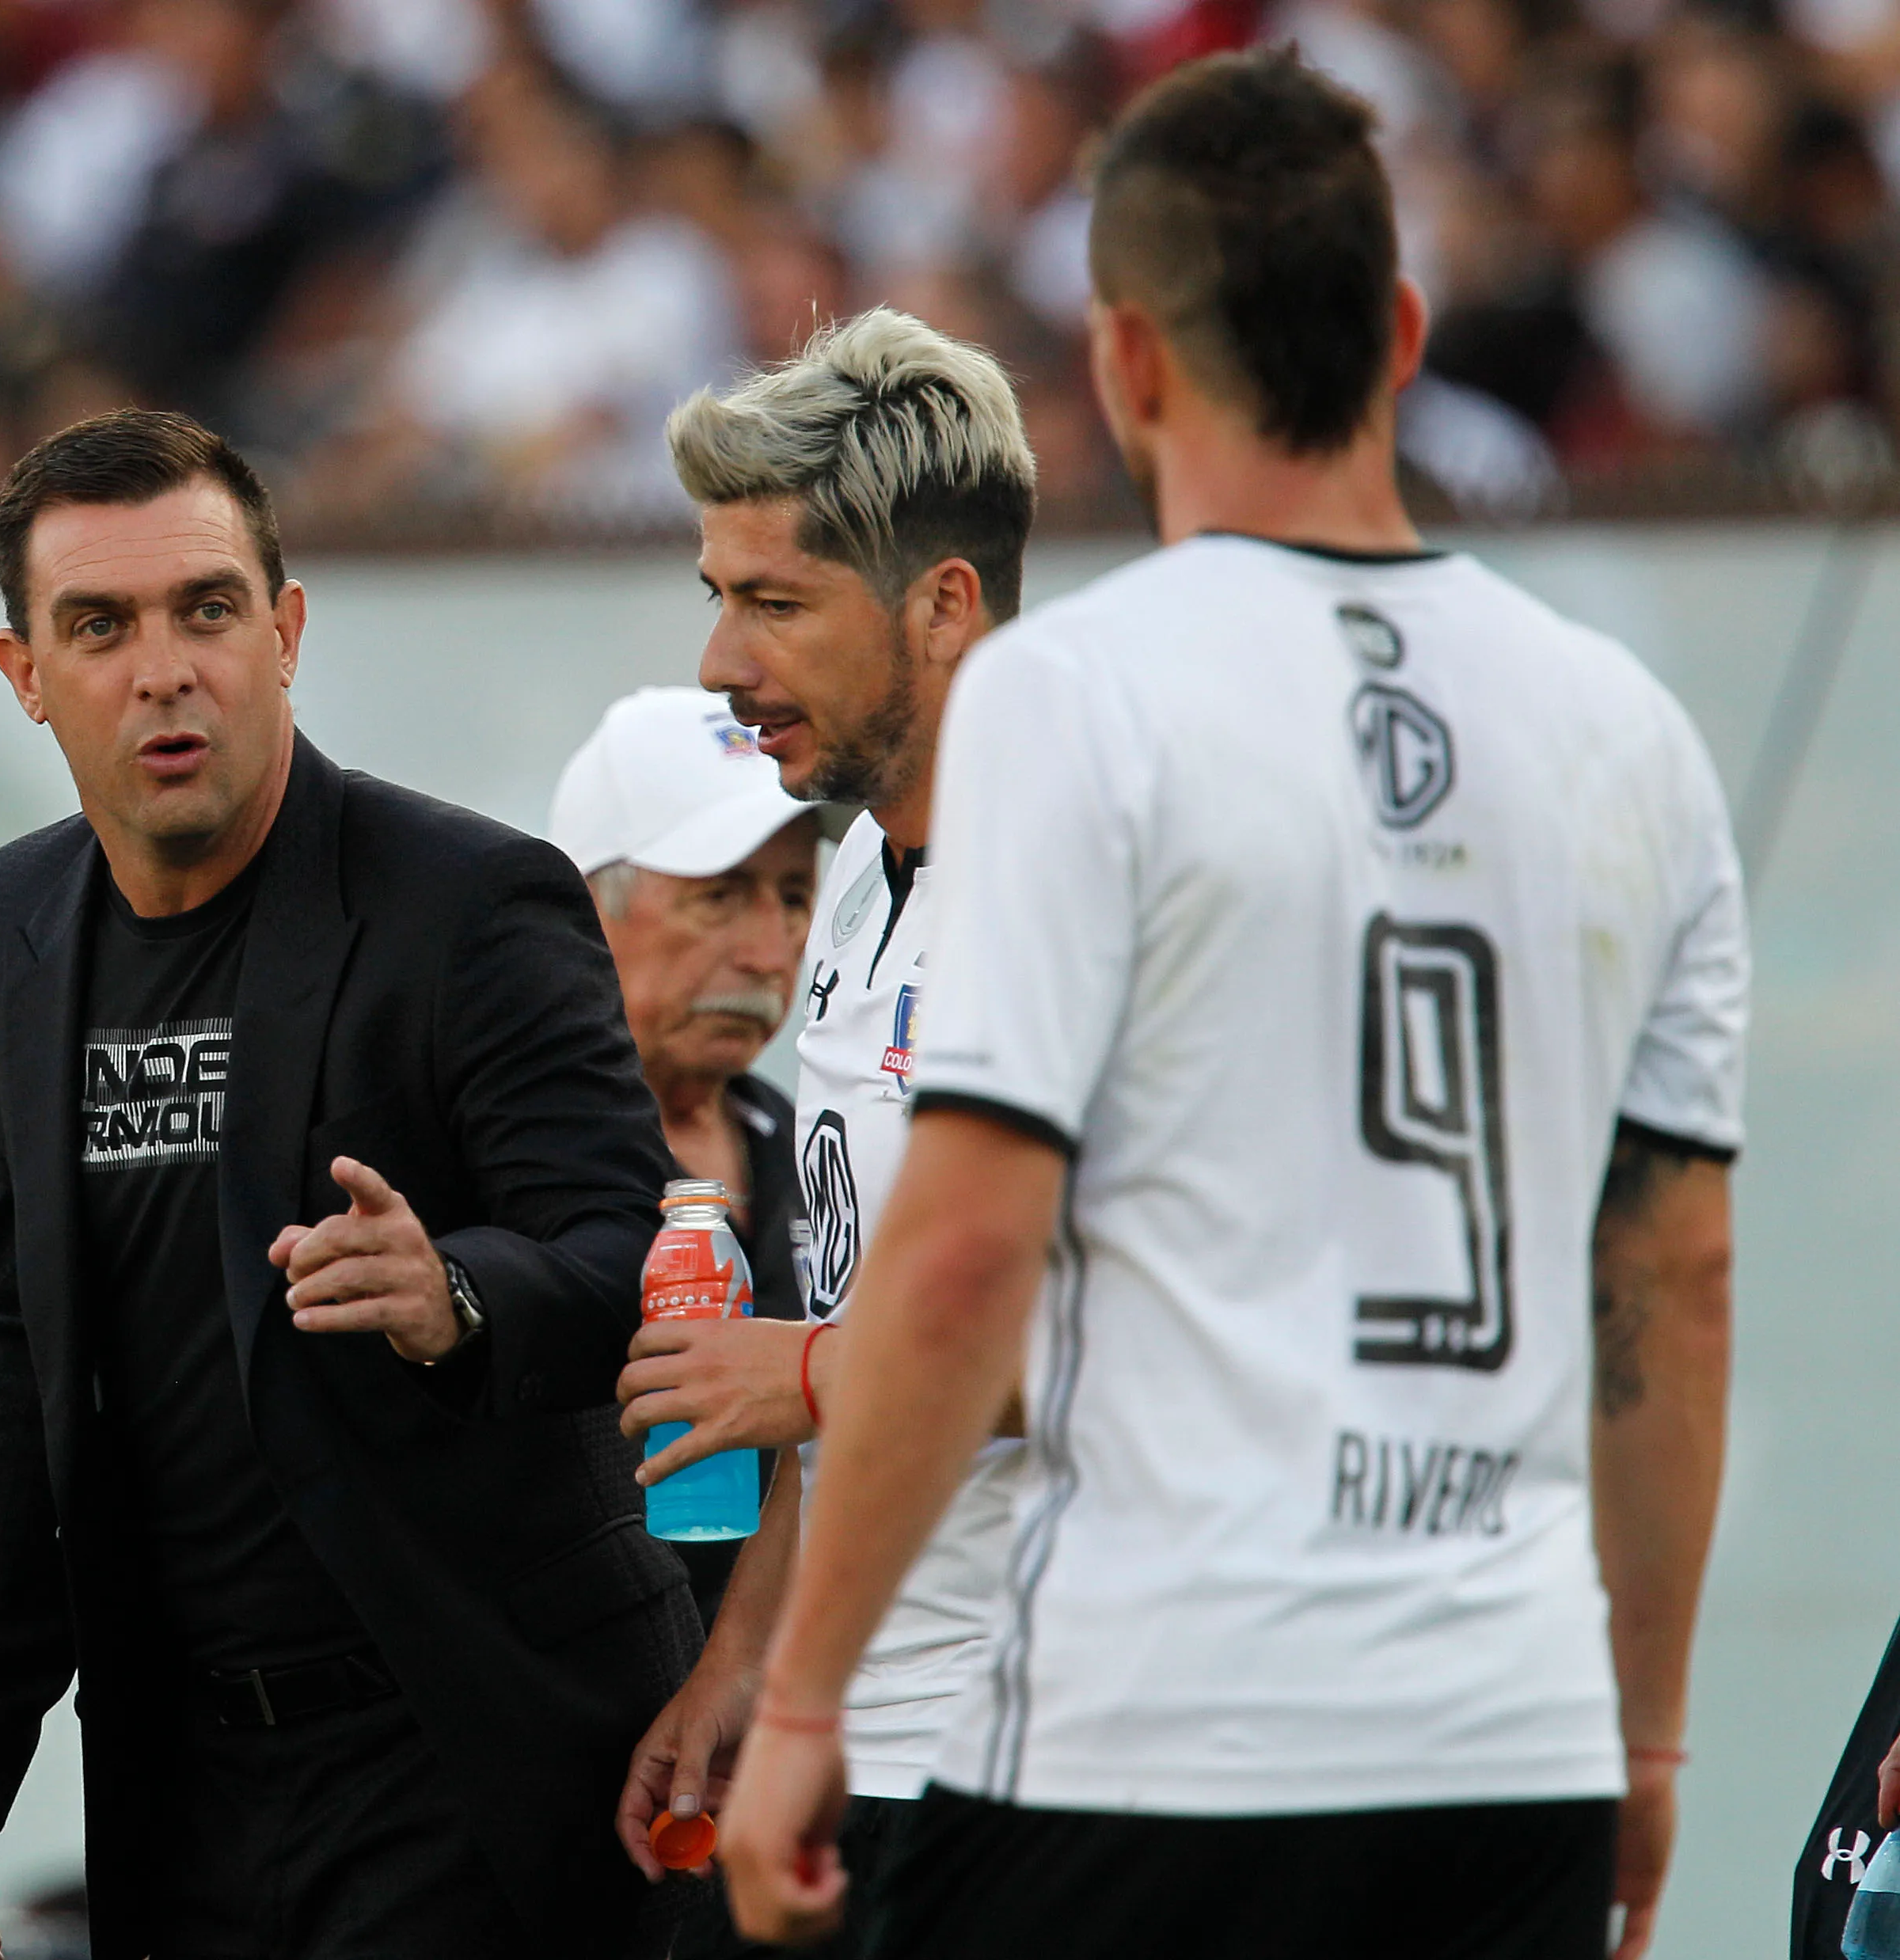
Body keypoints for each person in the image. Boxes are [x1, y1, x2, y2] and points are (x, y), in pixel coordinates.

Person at [721, 51, 1745, 1960]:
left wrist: (802, 1696)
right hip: (1503, 1732)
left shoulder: (1075, 695)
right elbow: (1672, 1274)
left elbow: (957, 1258)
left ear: (1123, 363)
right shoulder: (1628, 728)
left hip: (1160, 1734)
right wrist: (1649, 1727)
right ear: (1404, 334)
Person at [0, 408, 694, 1960]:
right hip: (184, 1776)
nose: (164, 665)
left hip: (461, 1741)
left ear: (286, 629)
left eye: (208, 608)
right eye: (99, 626)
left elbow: (624, 1254)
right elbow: (20, 1344)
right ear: (22, 674)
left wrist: (452, 1295)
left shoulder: (470, 901)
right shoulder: (8, 922)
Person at [599, 308, 1040, 1957]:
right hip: (863, 1732)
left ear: (944, 604)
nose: (723, 659)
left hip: (1052, 1749)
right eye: (718, 597)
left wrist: (794, 1371)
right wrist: (742, 1670)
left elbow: (1136, 1328)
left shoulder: (1083, 879)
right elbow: (863, 1323)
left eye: (774, 600)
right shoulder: (857, 871)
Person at [549, 683, 821, 1634]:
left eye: (795, 897)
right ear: (585, 912)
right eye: (719, 896)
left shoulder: (827, 1154)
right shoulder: (519, 1172)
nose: (768, 949)